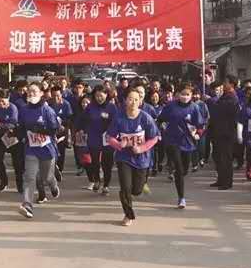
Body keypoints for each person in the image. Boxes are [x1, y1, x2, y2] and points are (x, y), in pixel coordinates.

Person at [106, 89, 160, 226]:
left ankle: (142, 185)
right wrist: (119, 144)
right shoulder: (119, 118)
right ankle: (128, 215)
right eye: (130, 99)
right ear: (125, 101)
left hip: (141, 159)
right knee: (126, 188)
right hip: (124, 157)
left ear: (140, 101)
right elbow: (109, 137)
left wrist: (141, 148)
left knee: (136, 190)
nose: (133, 102)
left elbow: (154, 138)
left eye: (136, 99)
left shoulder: (145, 118)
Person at [18, 82, 61, 219]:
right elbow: (21, 127)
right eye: (29, 91)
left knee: (46, 177)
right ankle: (27, 205)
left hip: (47, 149)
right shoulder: (24, 110)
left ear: (41, 93)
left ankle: (53, 184)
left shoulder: (47, 110)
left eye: (34, 91)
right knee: (29, 177)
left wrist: (39, 129)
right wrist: (15, 133)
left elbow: (54, 129)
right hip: (31, 149)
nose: (31, 94)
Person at [158, 82, 205, 208]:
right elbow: (161, 119)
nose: (185, 97)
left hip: (187, 142)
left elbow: (200, 125)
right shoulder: (170, 106)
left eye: (187, 94)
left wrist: (198, 134)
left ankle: (178, 174)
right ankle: (181, 198)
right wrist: (162, 127)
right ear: (177, 94)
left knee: (184, 169)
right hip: (172, 141)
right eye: (182, 94)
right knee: (179, 169)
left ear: (191, 95)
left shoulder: (194, 108)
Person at [79, 86, 118, 194]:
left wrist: (110, 133)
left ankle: (106, 185)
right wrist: (82, 130)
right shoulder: (90, 107)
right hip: (94, 137)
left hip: (107, 138)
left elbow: (116, 122)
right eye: (97, 96)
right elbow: (82, 119)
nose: (99, 98)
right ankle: (96, 180)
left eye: (101, 95)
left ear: (106, 95)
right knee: (95, 161)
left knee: (107, 163)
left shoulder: (112, 107)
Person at [208, 75, 241, 190]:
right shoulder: (225, 96)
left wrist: (210, 101)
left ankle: (227, 182)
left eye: (226, 82)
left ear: (231, 84)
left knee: (226, 158)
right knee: (218, 157)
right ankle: (221, 179)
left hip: (227, 132)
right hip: (219, 131)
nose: (224, 84)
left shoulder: (232, 98)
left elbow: (220, 110)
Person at [0, 89, 21, 192]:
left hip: (11, 136)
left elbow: (13, 123)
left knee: (16, 162)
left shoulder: (13, 108)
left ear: (8, 99)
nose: (1, 103)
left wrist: (1, 124)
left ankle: (20, 184)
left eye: (3, 101)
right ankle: (4, 181)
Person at [49, 86, 73, 181]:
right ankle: (53, 169)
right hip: (51, 132)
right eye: (54, 95)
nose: (56, 98)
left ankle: (60, 170)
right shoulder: (48, 104)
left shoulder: (66, 104)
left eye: (58, 95)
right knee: (51, 152)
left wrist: (63, 124)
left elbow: (69, 118)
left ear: (61, 95)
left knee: (61, 152)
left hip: (62, 132)